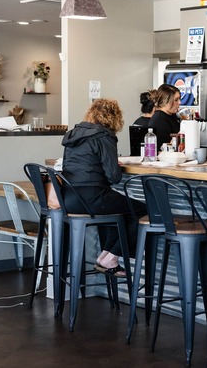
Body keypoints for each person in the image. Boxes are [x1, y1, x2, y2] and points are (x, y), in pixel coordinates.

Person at [61, 98, 147, 276]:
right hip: (93, 198)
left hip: (69, 199)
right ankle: (112, 256)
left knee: (120, 210)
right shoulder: (104, 136)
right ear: (114, 118)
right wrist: (113, 163)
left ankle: (105, 256)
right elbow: (114, 177)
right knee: (143, 211)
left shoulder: (73, 134)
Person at [148, 84, 181, 150]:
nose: (179, 102)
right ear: (166, 101)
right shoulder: (159, 120)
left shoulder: (172, 115)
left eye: (179, 99)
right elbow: (163, 148)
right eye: (176, 100)